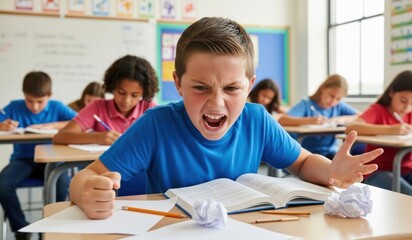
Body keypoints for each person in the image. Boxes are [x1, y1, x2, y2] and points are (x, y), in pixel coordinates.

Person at [69, 17, 383, 220]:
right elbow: (85, 177)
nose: (216, 102)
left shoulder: (256, 119)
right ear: (178, 84)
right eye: (200, 87)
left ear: (250, 84)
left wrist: (331, 171)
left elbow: (300, 163)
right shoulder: (156, 124)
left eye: (232, 88)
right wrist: (86, 190)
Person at [0, 71, 76, 240]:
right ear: (23, 95)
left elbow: (79, 121)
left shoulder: (57, 106)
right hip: (23, 160)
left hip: (51, 159)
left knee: (62, 182)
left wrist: (52, 125)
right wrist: (2, 125)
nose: (34, 107)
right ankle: (21, 230)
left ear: (49, 96)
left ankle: (47, 228)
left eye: (40, 102)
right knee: (3, 184)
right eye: (30, 101)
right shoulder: (14, 106)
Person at [346, 70, 412, 202]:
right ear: (391, 92)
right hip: (378, 171)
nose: (407, 107)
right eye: (403, 100)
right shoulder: (378, 110)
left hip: (410, 170)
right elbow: (351, 128)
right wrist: (391, 129)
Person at [53, 55, 159, 145]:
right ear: (112, 87)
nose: (126, 100)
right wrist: (97, 137)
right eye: (121, 92)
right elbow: (60, 137)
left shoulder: (149, 109)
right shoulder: (98, 107)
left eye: (134, 95)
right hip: (104, 169)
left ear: (144, 93)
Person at [284, 74, 360, 158]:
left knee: (346, 165)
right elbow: (283, 120)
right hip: (306, 155)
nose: (333, 101)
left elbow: (361, 116)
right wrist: (309, 121)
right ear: (323, 88)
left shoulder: (339, 106)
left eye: (338, 99)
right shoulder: (306, 104)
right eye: (331, 96)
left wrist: (342, 119)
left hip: (330, 153)